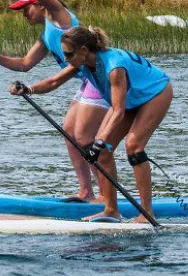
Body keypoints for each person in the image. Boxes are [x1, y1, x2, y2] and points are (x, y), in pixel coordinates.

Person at [0, 0, 111, 202]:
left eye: (26, 8)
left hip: (100, 79)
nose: (23, 14)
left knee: (85, 138)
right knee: (69, 132)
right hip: (87, 82)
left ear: (40, 5)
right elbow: (24, 64)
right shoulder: (45, 35)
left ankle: (107, 197)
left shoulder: (58, 15)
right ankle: (86, 192)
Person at [10, 26, 173, 224]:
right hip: (133, 98)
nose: (66, 59)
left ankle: (146, 214)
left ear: (84, 51)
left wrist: (99, 141)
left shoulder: (114, 67)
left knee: (134, 146)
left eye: (69, 54)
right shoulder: (82, 62)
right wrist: (28, 89)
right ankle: (111, 210)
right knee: (103, 152)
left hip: (155, 93)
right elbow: (53, 82)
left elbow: (118, 110)